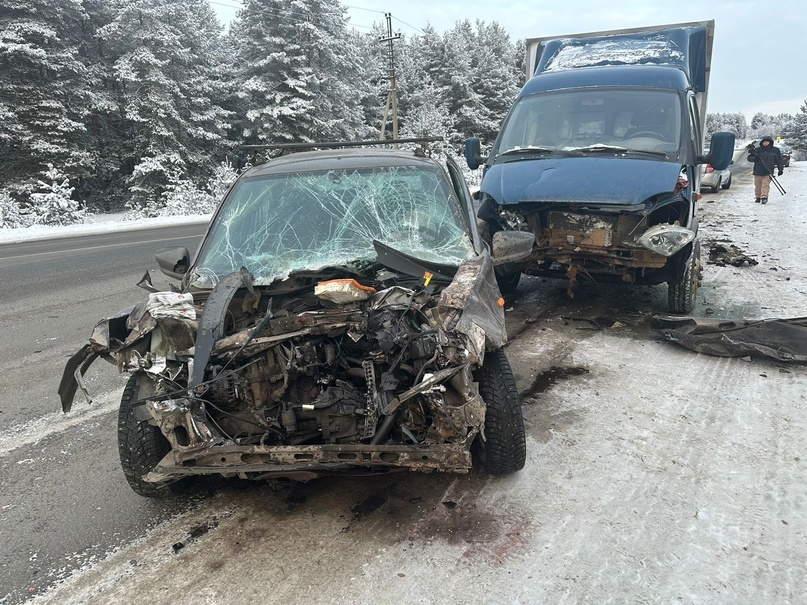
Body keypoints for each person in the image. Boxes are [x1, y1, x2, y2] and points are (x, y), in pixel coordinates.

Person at [746, 136, 784, 204]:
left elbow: (779, 160)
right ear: (762, 142)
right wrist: (755, 158)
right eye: (764, 142)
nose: (765, 143)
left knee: (765, 185)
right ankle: (758, 196)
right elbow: (749, 158)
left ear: (770, 142)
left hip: (768, 171)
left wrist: (780, 169)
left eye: (767, 142)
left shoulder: (775, 150)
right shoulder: (757, 150)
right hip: (758, 171)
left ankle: (764, 197)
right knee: (758, 185)